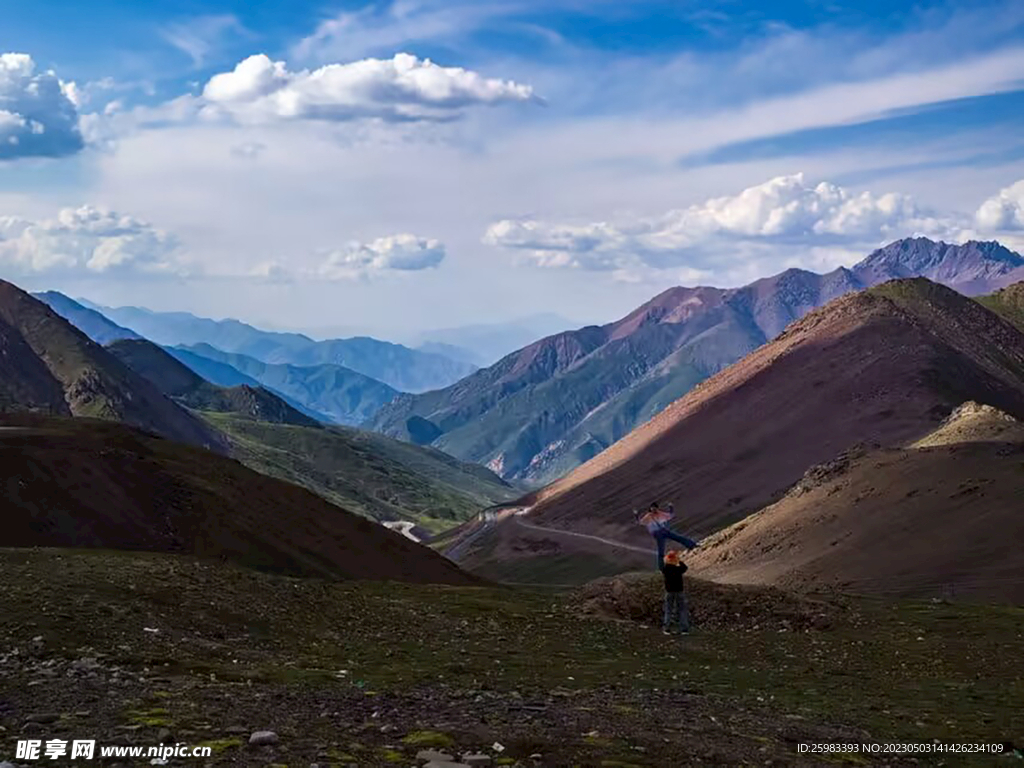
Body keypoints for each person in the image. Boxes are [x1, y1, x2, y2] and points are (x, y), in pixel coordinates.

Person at [634, 501, 698, 569]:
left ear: (657, 508)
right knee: (661, 548)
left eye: (655, 508)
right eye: (653, 508)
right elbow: (640, 522)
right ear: (650, 509)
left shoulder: (660, 513)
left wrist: (671, 507)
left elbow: (671, 515)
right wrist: (636, 515)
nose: (654, 510)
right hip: (657, 533)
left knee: (679, 538)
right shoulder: (648, 516)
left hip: (664, 531)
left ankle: (692, 545)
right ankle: (661, 565)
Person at [660, 549, 691, 635]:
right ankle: (684, 629)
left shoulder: (665, 569)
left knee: (668, 610)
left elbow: (662, 567)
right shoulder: (678, 569)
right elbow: (685, 568)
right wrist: (679, 561)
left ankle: (666, 628)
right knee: (681, 609)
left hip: (669, 592)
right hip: (679, 591)